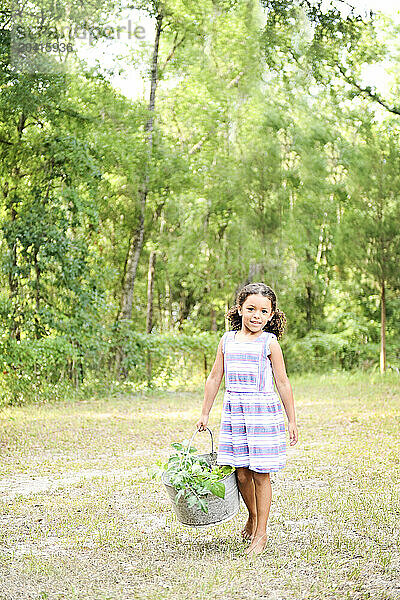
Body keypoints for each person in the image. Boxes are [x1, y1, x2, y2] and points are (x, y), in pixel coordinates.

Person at [196, 282, 298, 556]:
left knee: (261, 473)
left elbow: (283, 382)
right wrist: (205, 412)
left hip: (262, 413)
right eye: (251, 308)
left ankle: (261, 532)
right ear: (239, 309)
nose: (256, 315)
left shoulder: (270, 343)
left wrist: (292, 420)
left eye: (263, 311)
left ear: (271, 315)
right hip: (234, 412)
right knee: (241, 473)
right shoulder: (227, 340)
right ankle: (252, 516)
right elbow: (215, 377)